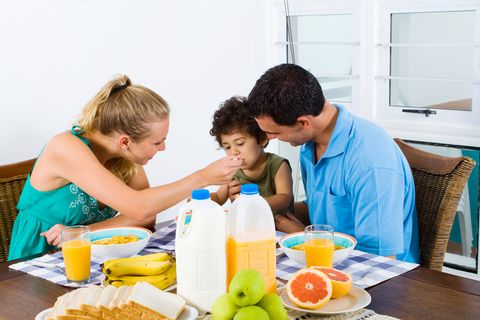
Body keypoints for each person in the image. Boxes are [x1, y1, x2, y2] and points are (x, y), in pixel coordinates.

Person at [8, 75, 242, 261]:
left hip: (91, 253)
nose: (163, 148)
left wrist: (83, 233)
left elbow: (146, 217)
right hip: (38, 258)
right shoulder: (66, 147)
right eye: (157, 142)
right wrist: (203, 177)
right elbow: (138, 208)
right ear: (126, 142)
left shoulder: (124, 157)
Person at [247, 64, 420, 263]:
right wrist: (265, 210)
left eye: (274, 133)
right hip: (328, 260)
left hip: (381, 276)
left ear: (303, 123)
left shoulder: (370, 164)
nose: (270, 139)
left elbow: (379, 259)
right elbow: (325, 208)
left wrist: (304, 237)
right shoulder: (310, 144)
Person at [209, 96, 294, 221]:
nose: (233, 152)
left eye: (240, 143)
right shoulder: (233, 170)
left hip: (278, 227)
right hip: (247, 229)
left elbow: (285, 197)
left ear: (262, 139)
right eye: (227, 147)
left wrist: (255, 205)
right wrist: (201, 201)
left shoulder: (277, 165)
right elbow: (218, 197)